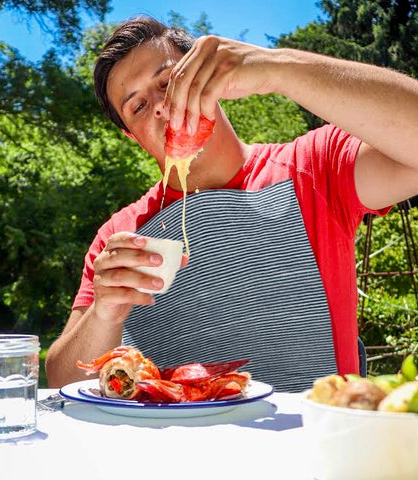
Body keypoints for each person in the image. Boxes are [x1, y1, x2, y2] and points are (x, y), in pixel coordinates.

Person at [45, 16, 418, 391]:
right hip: (169, 446)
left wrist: (277, 69)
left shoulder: (313, 167)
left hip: (315, 442)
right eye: (138, 107)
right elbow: (63, 381)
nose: (160, 106)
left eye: (169, 82)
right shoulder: (120, 234)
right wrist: (103, 314)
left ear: (209, 77)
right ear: (131, 136)